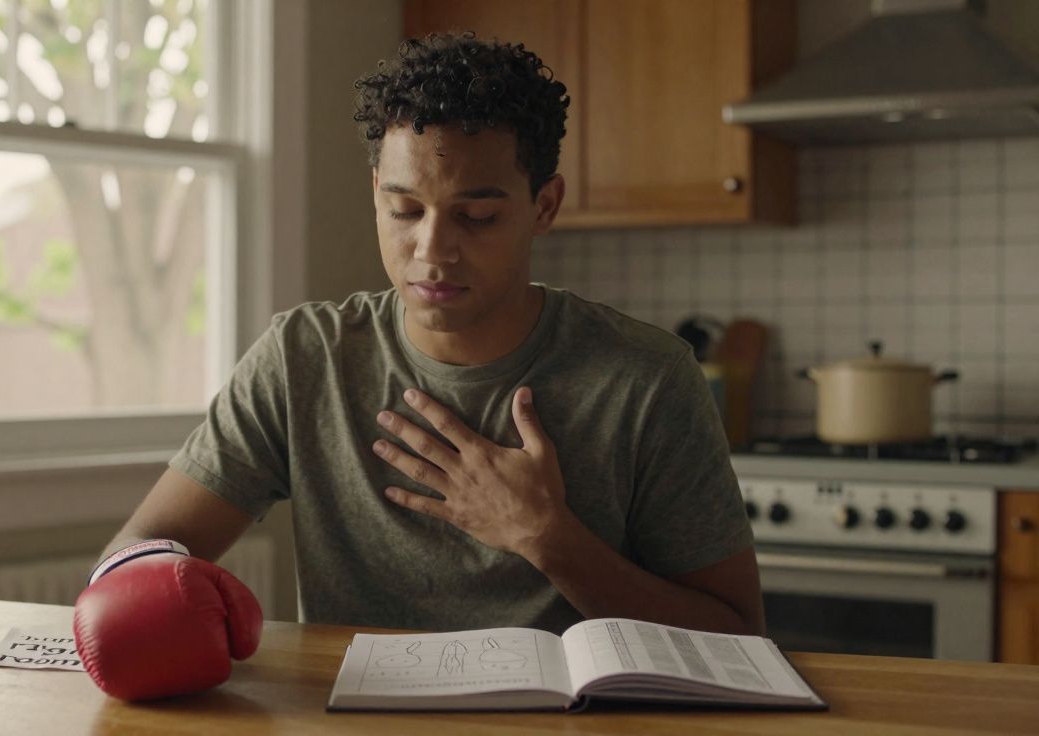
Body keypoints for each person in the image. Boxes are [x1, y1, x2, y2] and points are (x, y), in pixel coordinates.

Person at [99, 32, 765, 637]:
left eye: (476, 216)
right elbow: (132, 560)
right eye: (404, 210)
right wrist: (172, 597)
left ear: (544, 206)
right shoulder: (307, 358)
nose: (432, 251)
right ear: (376, 195)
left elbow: (739, 638)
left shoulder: (645, 378)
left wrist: (549, 538)